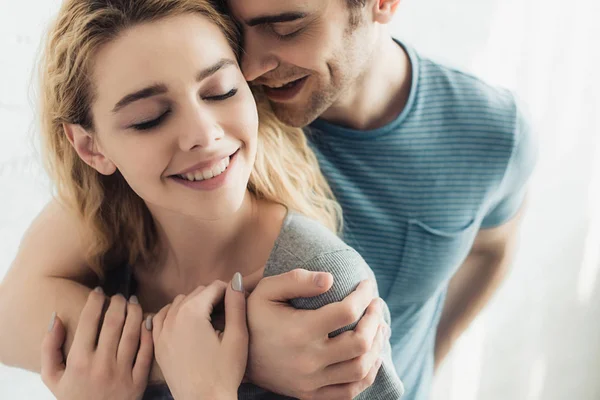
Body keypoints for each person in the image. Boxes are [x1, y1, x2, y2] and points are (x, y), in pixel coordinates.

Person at [0, 0, 537, 399]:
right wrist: (235, 349)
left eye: (285, 25)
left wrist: (428, 366)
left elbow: (494, 249)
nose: (253, 67)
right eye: (236, 33)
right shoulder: (205, 138)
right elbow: (15, 312)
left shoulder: (491, 133)